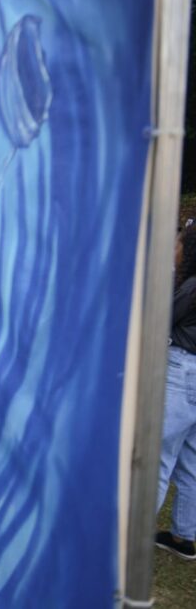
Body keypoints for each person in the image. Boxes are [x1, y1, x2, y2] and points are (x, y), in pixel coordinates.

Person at [156, 225, 196, 560]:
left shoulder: (192, 286)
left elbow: (161, 318)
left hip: (182, 371)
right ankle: (184, 537)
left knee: (158, 458)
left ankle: (126, 537)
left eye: (178, 244)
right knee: (192, 463)